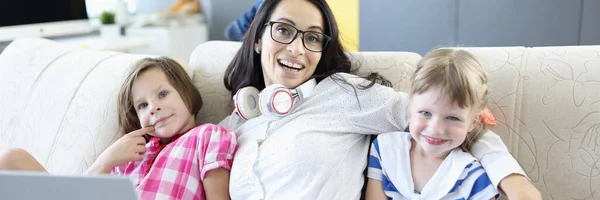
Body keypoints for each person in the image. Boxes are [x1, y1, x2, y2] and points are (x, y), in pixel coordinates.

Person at [222, 0, 541, 199]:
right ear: (258, 39)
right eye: (283, 30)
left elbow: (447, 119)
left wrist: (511, 179)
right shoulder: (234, 124)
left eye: (313, 37)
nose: (297, 48)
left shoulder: (342, 94)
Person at [0, 57, 237, 200]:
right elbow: (79, 195)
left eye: (163, 94)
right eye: (142, 105)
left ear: (187, 92)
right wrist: (105, 161)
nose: (153, 108)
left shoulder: (207, 135)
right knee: (11, 159)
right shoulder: (129, 155)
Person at [366, 49, 499, 199]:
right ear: (410, 107)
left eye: (452, 118)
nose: (435, 129)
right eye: (425, 113)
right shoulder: (385, 150)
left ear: (473, 122)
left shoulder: (475, 178)